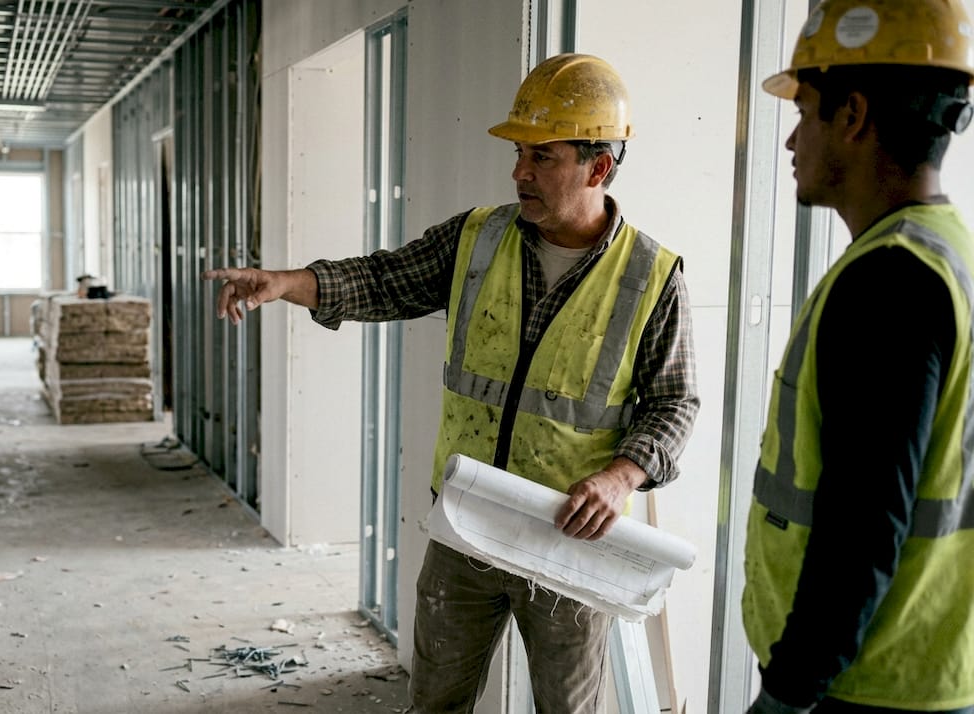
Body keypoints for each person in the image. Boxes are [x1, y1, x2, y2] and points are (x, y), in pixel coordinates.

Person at [204, 53, 699, 713]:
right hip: (467, 526)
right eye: (520, 153)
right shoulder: (478, 238)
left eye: (542, 157)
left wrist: (620, 478)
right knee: (435, 701)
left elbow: (675, 404)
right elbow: (384, 279)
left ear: (598, 167)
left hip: (569, 542)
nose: (519, 172)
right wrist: (287, 284)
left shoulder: (651, 275)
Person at [743, 1, 974, 712]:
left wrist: (786, 695)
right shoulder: (948, 255)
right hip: (928, 670)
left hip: (866, 687)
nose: (789, 142)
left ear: (852, 115)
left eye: (803, 109)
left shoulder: (891, 282)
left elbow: (862, 535)